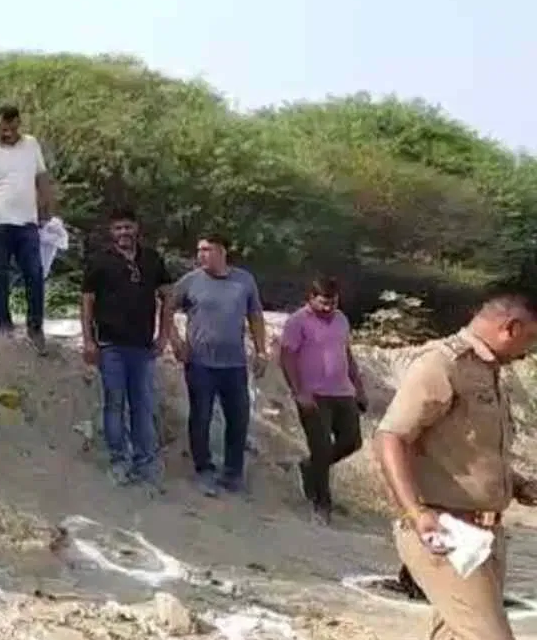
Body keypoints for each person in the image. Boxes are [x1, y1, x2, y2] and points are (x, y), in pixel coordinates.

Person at [374, 280, 537, 640]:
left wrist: (516, 483)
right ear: (510, 328)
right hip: (447, 534)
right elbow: (390, 437)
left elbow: (465, 449)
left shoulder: (488, 371)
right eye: (530, 339)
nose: (528, 351)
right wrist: (416, 513)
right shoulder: (442, 364)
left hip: (484, 537)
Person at [79, 207, 174, 488]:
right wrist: (88, 340)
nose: (124, 233)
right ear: (111, 232)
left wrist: (164, 336)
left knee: (142, 405)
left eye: (128, 227)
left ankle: (145, 463)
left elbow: (168, 297)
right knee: (114, 404)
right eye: (118, 228)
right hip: (110, 346)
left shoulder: (152, 259)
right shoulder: (100, 262)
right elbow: (86, 303)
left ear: (136, 228)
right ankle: (118, 460)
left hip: (143, 346)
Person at [171, 233, 267, 496]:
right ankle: (203, 469)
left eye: (207, 250)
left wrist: (261, 351)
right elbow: (167, 307)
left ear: (222, 251)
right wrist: (175, 341)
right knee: (200, 416)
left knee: (238, 417)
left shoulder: (244, 281)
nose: (201, 255)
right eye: (199, 250)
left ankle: (233, 473)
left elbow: (255, 315)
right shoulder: (190, 281)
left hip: (234, 363)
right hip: (200, 363)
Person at [279, 276, 367, 524]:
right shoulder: (297, 322)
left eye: (333, 302)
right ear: (310, 298)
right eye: (324, 302)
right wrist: (299, 391)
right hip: (314, 395)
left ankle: (309, 468)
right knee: (321, 448)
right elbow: (287, 356)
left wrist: (359, 388)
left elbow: (346, 354)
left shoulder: (341, 319)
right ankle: (321, 503)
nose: (329, 308)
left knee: (352, 441)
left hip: (342, 391)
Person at [0, 105, 54, 353]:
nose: (7, 133)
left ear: (18, 125)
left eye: (12, 128)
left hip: (27, 220)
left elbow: (42, 177)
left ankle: (35, 326)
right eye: (3, 129)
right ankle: (4, 324)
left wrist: (48, 207)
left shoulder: (31, 144)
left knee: (34, 273)